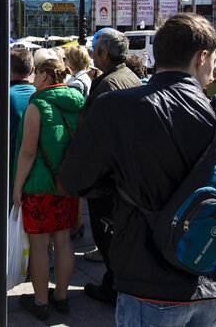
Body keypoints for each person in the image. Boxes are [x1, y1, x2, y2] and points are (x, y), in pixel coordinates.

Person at [61, 13, 216, 326]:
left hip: (146, 277)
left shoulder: (115, 107)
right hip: (210, 273)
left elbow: (74, 181)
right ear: (202, 56)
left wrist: (121, 185)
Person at [13, 58, 84, 321]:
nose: (32, 78)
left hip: (39, 187)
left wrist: (17, 187)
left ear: (44, 76)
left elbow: (28, 151)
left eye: (36, 74)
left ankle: (41, 302)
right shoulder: (79, 103)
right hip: (66, 186)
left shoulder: (38, 105)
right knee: (64, 242)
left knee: (40, 246)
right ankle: (62, 297)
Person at [81, 29, 142, 303]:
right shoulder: (130, 76)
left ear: (104, 54)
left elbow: (95, 136)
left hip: (109, 178)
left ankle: (113, 286)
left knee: (107, 234)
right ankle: (115, 283)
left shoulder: (108, 84)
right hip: (125, 172)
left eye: (95, 51)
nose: (92, 56)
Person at [9, 49, 36, 205]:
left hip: (10, 170)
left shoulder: (3, 97)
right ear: (32, 70)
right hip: (35, 172)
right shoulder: (38, 94)